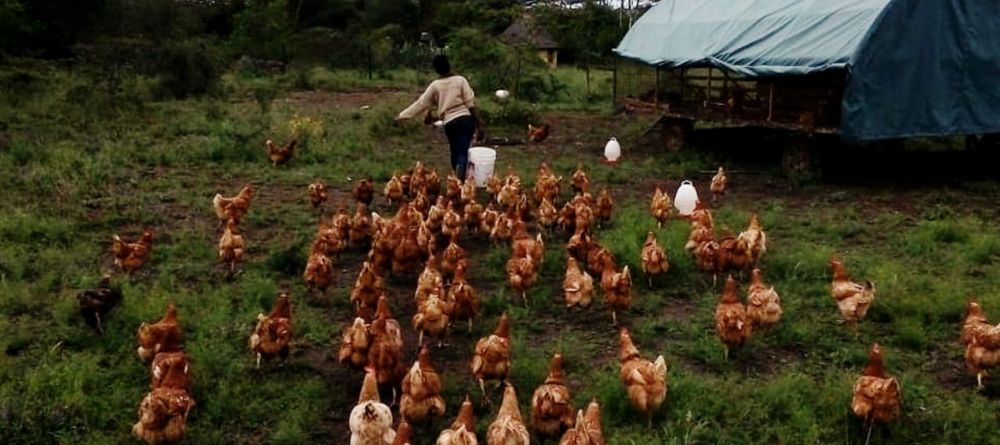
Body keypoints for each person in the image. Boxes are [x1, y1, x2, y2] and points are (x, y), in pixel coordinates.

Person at [396, 54, 482, 180]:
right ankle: (460, 181)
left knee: (454, 151)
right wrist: (479, 124)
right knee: (463, 151)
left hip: (450, 123)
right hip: (465, 120)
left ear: (436, 69)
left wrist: (401, 116)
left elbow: (420, 104)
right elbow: (470, 104)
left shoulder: (435, 85)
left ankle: (457, 180)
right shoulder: (460, 80)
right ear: (449, 65)